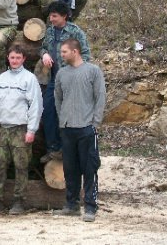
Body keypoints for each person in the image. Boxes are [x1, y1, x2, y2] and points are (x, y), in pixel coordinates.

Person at [0, 45, 43, 215]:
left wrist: (31, 130)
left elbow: (35, 106)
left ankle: (19, 202)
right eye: (12, 57)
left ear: (23, 59)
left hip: (20, 129)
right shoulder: (1, 78)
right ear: (8, 58)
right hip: (3, 129)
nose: (15, 60)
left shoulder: (29, 79)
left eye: (18, 57)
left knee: (21, 166)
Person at [53, 38, 106, 223]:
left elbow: (100, 97)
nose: (61, 55)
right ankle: (72, 205)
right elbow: (58, 99)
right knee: (70, 169)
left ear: (75, 51)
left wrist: (95, 123)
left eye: (64, 52)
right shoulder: (61, 73)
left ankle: (90, 207)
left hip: (86, 128)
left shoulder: (93, 71)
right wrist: (62, 120)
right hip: (67, 129)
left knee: (89, 168)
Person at [40, 1, 90, 164]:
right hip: (54, 80)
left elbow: (86, 55)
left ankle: (69, 151)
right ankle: (53, 149)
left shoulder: (75, 32)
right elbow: (43, 48)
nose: (51, 19)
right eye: (50, 16)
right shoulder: (49, 32)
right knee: (48, 113)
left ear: (64, 16)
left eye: (54, 16)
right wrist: (45, 55)